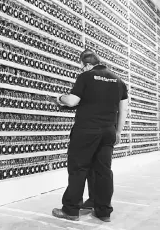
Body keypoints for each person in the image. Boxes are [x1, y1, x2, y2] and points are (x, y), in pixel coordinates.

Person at [51, 49, 128, 222]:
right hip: (108, 131)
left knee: (79, 169)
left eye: (82, 66)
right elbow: (124, 109)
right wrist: (118, 132)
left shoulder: (85, 76)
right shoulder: (118, 80)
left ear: (86, 64)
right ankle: (103, 211)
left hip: (86, 131)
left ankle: (70, 210)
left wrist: (60, 98)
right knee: (103, 171)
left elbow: (72, 101)